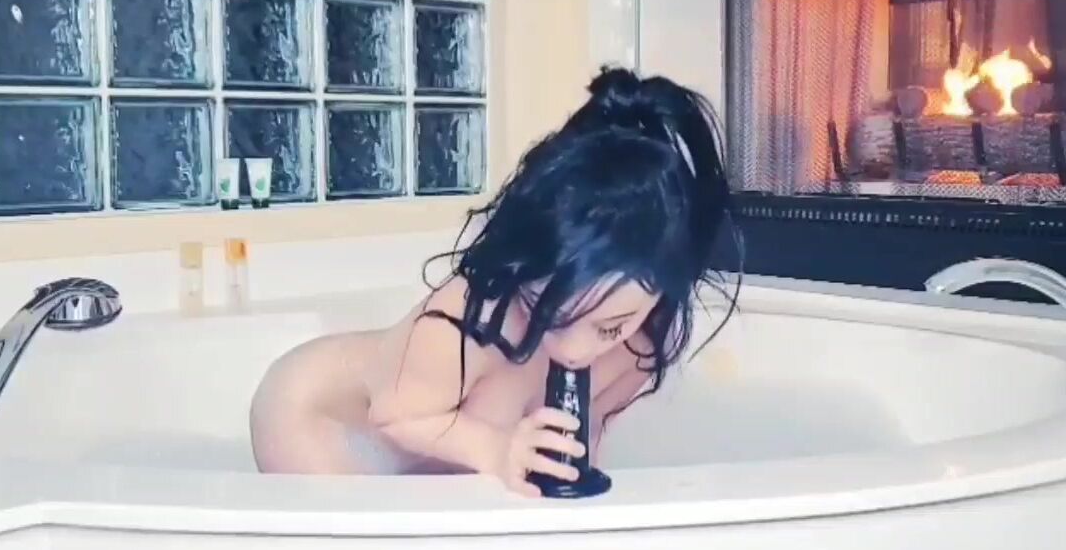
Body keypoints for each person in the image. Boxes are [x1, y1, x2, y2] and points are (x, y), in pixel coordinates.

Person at [248, 66, 739, 496]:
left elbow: (583, 439)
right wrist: (495, 449)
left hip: (431, 443)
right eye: (548, 312)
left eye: (609, 327)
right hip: (327, 416)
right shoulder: (468, 316)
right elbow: (395, 415)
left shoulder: (639, 346)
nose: (574, 350)